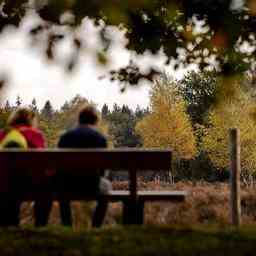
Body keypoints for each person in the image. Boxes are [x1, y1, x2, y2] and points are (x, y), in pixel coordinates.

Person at [56, 105, 112, 227]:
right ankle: (96, 226)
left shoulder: (65, 137)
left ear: (79, 119)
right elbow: (103, 169)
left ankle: (67, 225)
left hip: (68, 185)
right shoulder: (100, 138)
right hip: (92, 184)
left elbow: (58, 165)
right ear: (95, 120)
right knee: (107, 186)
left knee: (60, 187)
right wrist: (100, 176)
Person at [0, 108, 50, 226]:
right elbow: (43, 163)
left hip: (3, 183)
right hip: (30, 183)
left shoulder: (2, 134)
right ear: (31, 121)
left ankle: (8, 224)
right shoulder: (35, 134)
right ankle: (40, 225)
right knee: (46, 187)